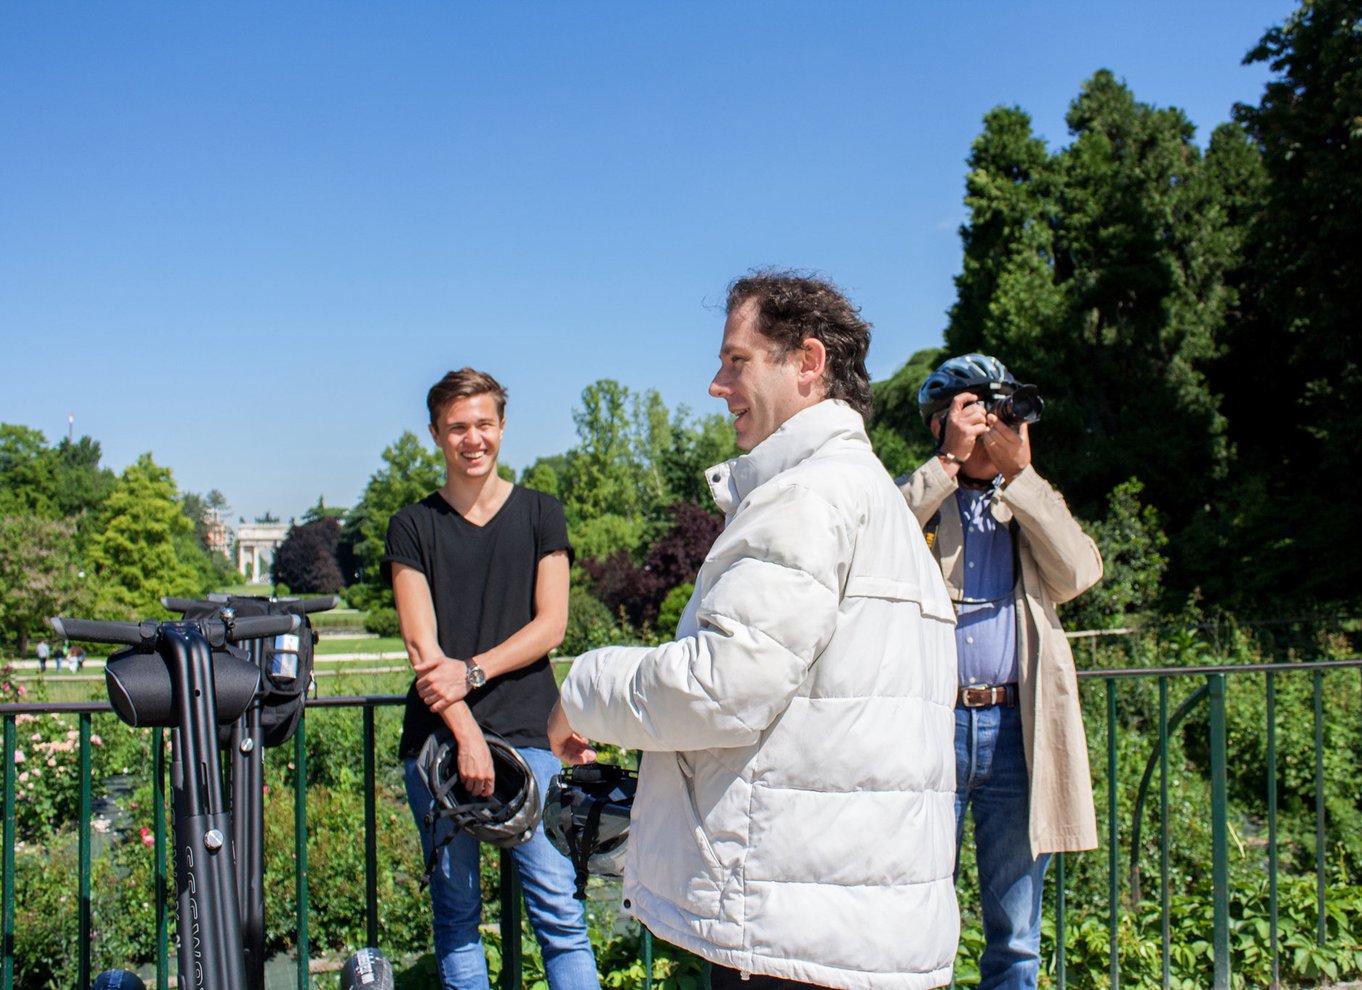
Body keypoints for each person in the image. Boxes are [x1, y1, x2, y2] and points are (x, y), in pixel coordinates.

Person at [550, 272, 960, 990]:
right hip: (859, 925)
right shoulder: (874, 499)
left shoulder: (805, 494)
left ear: (807, 363)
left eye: (737, 360)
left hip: (792, 931)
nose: (717, 383)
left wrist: (582, 688)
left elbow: (724, 687)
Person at [383, 368, 599, 990]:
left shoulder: (540, 514)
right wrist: (468, 735)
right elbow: (423, 648)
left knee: (561, 916)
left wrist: (474, 669)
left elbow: (551, 625)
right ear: (434, 434)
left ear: (502, 427)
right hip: (440, 747)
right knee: (456, 921)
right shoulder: (412, 526)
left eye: (483, 424)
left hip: (534, 736)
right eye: (457, 427)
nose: (471, 439)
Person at [898, 353, 1102, 990]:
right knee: (913, 917)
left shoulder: (1025, 501)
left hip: (1018, 729)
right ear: (941, 423)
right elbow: (870, 545)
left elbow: (1078, 573)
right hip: (932, 729)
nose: (995, 424)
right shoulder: (918, 502)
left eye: (1001, 409)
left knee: (1015, 935)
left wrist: (1024, 475)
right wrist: (947, 465)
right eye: (977, 411)